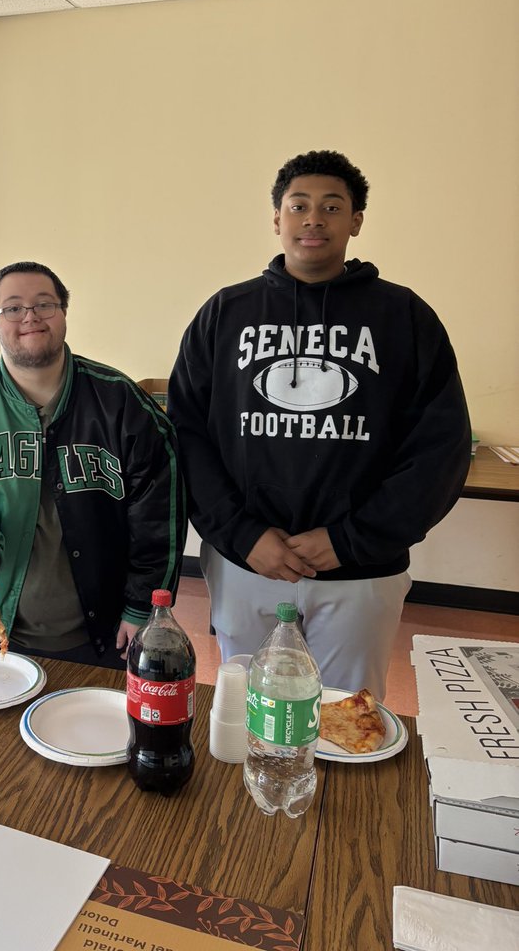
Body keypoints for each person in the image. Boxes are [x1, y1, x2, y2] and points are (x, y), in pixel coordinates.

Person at [168, 151, 470, 698]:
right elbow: (186, 434)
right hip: (246, 561)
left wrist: (352, 539)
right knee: (252, 705)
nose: (314, 218)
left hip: (359, 570)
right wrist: (240, 533)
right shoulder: (225, 314)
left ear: (355, 221)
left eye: (332, 207)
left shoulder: (404, 317)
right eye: (299, 205)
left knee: (347, 716)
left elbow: (439, 449)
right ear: (277, 219)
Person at [0, 260, 186, 669]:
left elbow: (159, 516)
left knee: (96, 731)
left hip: (105, 629)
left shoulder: (121, 403)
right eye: (13, 308)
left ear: (63, 315)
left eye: (45, 304)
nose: (30, 317)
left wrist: (141, 607)